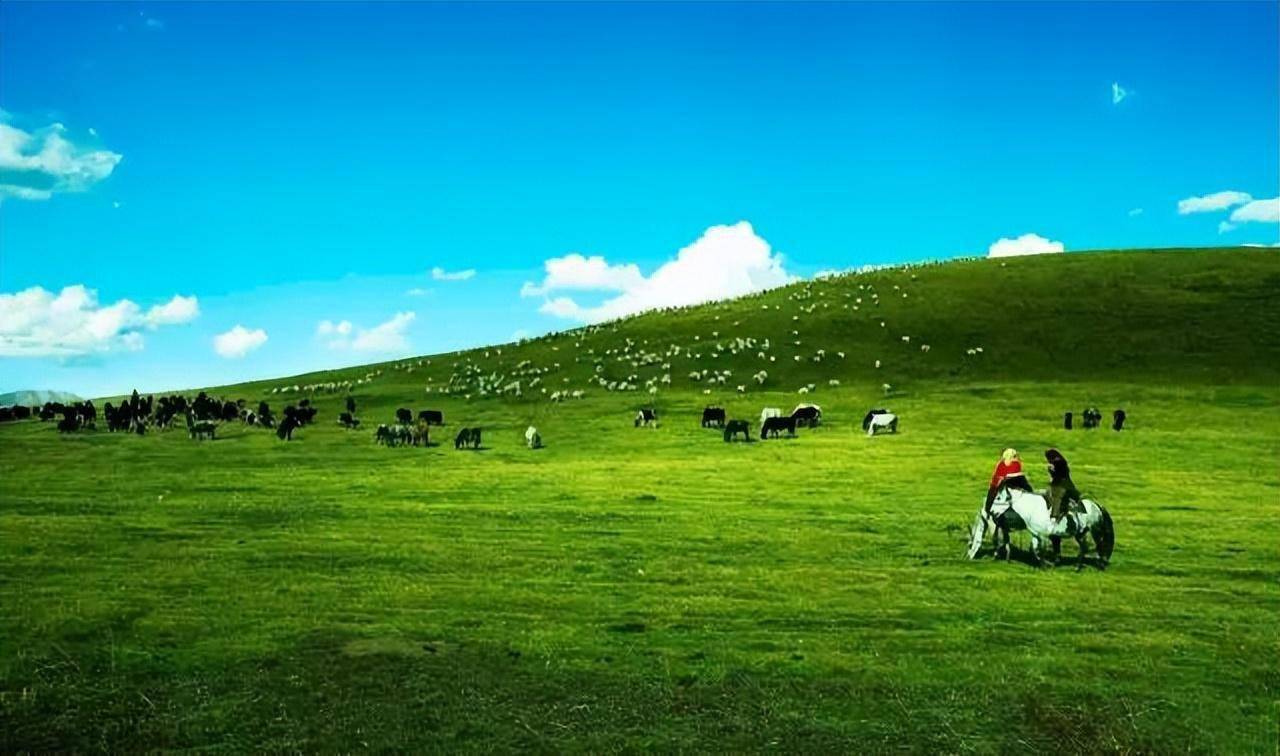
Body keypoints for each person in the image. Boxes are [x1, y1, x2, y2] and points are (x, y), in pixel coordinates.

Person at [1045, 448, 1083, 523]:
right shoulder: (1058, 462)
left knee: (1057, 497)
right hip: (1060, 484)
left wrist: (1052, 471)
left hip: (1064, 485)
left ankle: (1054, 516)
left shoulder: (1059, 462)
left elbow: (1060, 476)